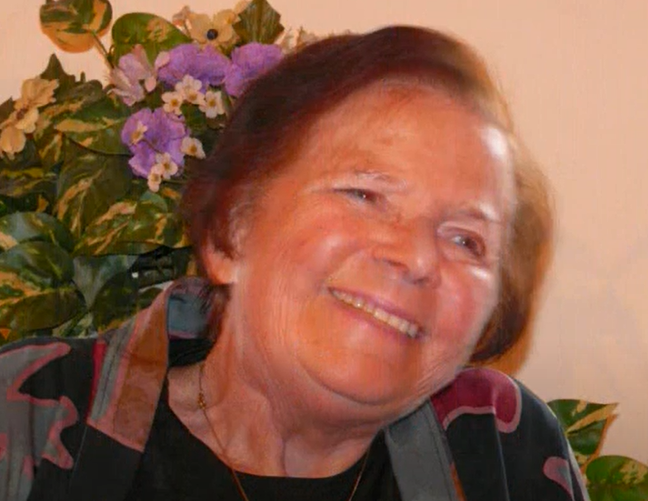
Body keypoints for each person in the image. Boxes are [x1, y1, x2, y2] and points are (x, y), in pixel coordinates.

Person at [0, 26, 588, 501]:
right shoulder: (23, 419)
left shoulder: (504, 451)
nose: (414, 257)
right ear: (232, 232)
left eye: (466, 241)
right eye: (364, 193)